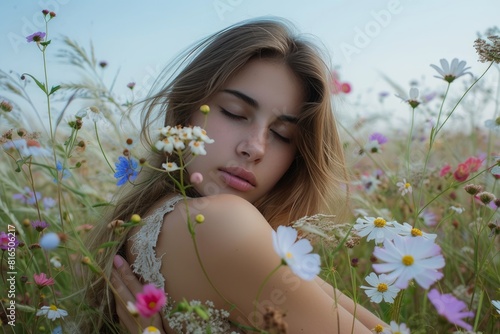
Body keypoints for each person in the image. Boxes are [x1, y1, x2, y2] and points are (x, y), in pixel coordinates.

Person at [81, 18, 387, 333]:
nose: (255, 148)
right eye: (234, 113)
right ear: (186, 109)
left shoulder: (152, 219)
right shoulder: (221, 225)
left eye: (282, 134)